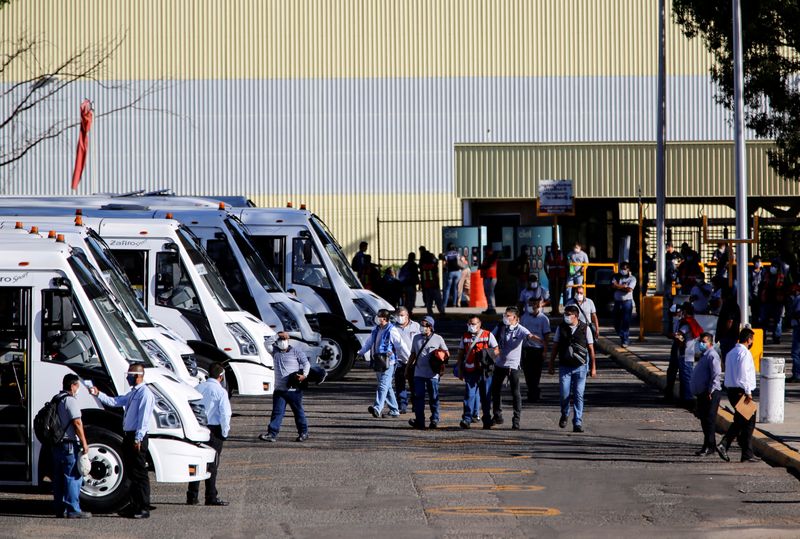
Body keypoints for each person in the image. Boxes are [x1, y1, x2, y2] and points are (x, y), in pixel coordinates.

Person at [89, 363, 155, 519]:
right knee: (131, 472)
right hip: (129, 435)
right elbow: (116, 401)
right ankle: (134, 505)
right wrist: (98, 394)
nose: (128, 377)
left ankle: (143, 507)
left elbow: (143, 419)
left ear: (138, 376)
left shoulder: (145, 394)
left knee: (140, 473)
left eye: (130, 375)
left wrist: (138, 438)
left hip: (137, 437)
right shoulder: (133, 393)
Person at [186, 363, 231, 506]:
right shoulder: (221, 392)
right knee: (212, 464)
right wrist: (225, 432)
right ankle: (210, 496)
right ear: (221, 376)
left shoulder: (198, 388)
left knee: (197, 461)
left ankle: (192, 496)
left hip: (198, 427)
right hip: (214, 430)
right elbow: (225, 414)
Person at [548, 305, 597, 433]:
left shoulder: (585, 328)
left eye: (569, 314)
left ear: (576, 316)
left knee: (578, 395)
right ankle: (564, 413)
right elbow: (555, 347)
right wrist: (551, 363)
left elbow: (591, 349)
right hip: (565, 367)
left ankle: (577, 422)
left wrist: (593, 367)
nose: (566, 316)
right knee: (564, 394)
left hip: (580, 367)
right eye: (565, 314)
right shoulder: (561, 328)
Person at [489, 307, 538, 430]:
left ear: (515, 318)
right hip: (499, 364)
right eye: (505, 315)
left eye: (509, 315)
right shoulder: (500, 326)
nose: (506, 317)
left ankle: (516, 419)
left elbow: (529, 335)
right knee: (495, 391)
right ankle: (497, 415)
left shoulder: (520, 330)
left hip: (513, 367)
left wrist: (540, 340)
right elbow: (490, 337)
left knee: (515, 393)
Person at [357, 309, 410, 418]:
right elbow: (369, 343)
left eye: (379, 316)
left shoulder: (392, 330)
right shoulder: (376, 329)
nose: (377, 318)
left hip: (389, 362)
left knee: (382, 385)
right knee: (387, 386)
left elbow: (401, 345)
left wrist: (409, 358)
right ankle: (395, 410)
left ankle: (377, 408)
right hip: (378, 361)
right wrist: (361, 352)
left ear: (384, 319)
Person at [716, 328, 759, 463]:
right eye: (752, 339)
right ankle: (726, 445)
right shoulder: (744, 354)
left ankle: (745, 453)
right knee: (747, 421)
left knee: (743, 421)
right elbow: (744, 374)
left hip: (731, 391)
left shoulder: (731, 353)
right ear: (749, 340)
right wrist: (748, 392)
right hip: (741, 391)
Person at [52, 374, 91, 519]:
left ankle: (59, 508)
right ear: (72, 386)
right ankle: (73, 509)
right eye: (77, 386)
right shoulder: (70, 400)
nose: (78, 389)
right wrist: (84, 443)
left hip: (56, 444)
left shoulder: (56, 399)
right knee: (73, 476)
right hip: (68, 444)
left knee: (58, 478)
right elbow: (77, 423)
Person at [259, 332, 311, 442]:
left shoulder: (296, 352)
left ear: (288, 341)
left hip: (294, 390)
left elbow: (306, 363)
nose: (282, 342)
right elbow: (266, 343)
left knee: (298, 412)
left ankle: (303, 432)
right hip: (279, 390)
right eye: (280, 340)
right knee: (277, 413)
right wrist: (277, 335)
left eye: (284, 340)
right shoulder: (275, 352)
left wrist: (304, 375)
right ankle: (272, 434)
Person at [455, 316, 499, 429]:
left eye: (473, 324)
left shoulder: (488, 334)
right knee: (469, 395)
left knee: (486, 397)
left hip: (485, 371)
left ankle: (487, 419)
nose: (471, 326)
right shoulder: (465, 336)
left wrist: (486, 356)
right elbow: (460, 353)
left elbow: (496, 350)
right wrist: (460, 369)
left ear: (479, 324)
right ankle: (467, 419)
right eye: (469, 323)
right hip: (470, 371)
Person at [407, 316, 449, 429]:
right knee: (418, 397)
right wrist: (407, 367)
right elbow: (413, 354)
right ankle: (420, 421)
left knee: (433, 397)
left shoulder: (438, 338)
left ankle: (434, 419)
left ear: (430, 327)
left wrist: (440, 355)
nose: (422, 327)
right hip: (418, 373)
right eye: (421, 324)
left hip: (432, 375)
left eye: (424, 325)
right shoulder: (416, 338)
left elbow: (446, 354)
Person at [690, 333, 723, 456]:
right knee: (704, 420)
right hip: (702, 393)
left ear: (710, 343)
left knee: (709, 420)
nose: (701, 344)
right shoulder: (704, 355)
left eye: (704, 341)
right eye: (700, 341)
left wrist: (711, 390)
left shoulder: (712, 356)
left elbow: (716, 374)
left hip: (710, 393)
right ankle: (708, 445)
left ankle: (710, 446)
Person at [519, 298, 551, 403]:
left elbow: (546, 336)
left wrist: (545, 350)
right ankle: (531, 391)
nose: (531, 307)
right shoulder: (524, 318)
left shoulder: (544, 319)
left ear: (538, 306)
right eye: (529, 304)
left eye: (533, 305)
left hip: (538, 349)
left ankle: (534, 392)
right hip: (526, 349)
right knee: (527, 373)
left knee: (536, 373)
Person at [393, 307, 420, 413]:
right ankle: (402, 405)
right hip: (398, 360)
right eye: (398, 315)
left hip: (413, 360)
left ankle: (416, 405)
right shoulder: (393, 327)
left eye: (402, 315)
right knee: (399, 384)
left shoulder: (416, 326)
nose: (400, 318)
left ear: (407, 316)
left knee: (414, 384)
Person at [611, 262, 637, 347]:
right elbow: (613, 286)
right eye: (621, 268)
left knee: (626, 321)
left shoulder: (632, 278)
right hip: (617, 302)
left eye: (625, 269)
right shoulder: (616, 276)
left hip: (627, 302)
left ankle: (625, 340)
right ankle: (622, 335)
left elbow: (629, 290)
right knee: (616, 322)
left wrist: (618, 286)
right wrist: (623, 286)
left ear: (628, 269)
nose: (623, 270)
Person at [715, 288, 741, 362]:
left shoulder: (729, 306)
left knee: (727, 357)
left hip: (728, 337)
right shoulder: (733, 305)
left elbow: (730, 321)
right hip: (730, 336)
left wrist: (722, 333)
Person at [419, 248, 444, 316]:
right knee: (438, 300)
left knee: (428, 301)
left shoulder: (422, 266)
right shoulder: (433, 266)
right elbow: (436, 262)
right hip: (434, 285)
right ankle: (442, 312)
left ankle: (430, 313)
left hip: (426, 285)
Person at [545, 243, 566, 314]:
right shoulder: (550, 254)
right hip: (555, 276)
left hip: (558, 276)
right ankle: (555, 309)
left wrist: (547, 275)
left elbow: (567, 264)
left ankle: (555, 309)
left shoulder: (561, 253)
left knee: (556, 293)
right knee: (555, 294)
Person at [479, 247, 499, 315]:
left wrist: (482, 267)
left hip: (490, 277)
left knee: (490, 293)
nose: (485, 252)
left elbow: (488, 265)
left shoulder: (491, 257)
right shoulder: (488, 257)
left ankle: (492, 308)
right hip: (487, 276)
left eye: (486, 250)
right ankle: (489, 307)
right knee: (487, 293)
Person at [442, 243, 462, 308]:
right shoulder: (457, 253)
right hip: (458, 272)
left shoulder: (446, 254)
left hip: (450, 272)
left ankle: (445, 304)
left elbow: (445, 264)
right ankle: (454, 304)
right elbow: (459, 262)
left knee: (448, 288)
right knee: (455, 288)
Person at [788, 285, 800, 382]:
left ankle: (797, 374)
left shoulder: (798, 299)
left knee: (795, 352)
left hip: (798, 327)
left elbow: (797, 313)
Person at [749, 255, 766, 327]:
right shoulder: (750, 272)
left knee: (762, 314)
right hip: (754, 295)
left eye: (760, 261)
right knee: (754, 314)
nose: (758, 263)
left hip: (762, 295)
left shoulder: (764, 271)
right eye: (757, 261)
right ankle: (755, 327)